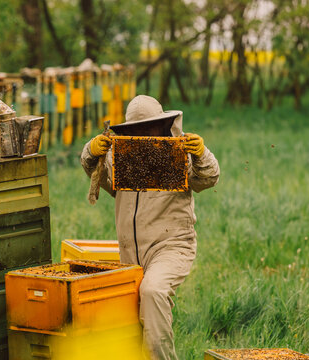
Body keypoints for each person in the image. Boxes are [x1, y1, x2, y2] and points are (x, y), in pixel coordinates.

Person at [80, 95, 220, 360]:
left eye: (149, 128)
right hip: (130, 252)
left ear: (162, 125)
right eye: (137, 130)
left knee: (153, 291)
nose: (143, 134)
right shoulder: (121, 158)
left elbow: (208, 178)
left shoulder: (179, 154)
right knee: (131, 320)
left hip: (172, 246)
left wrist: (201, 153)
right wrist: (91, 152)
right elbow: (102, 180)